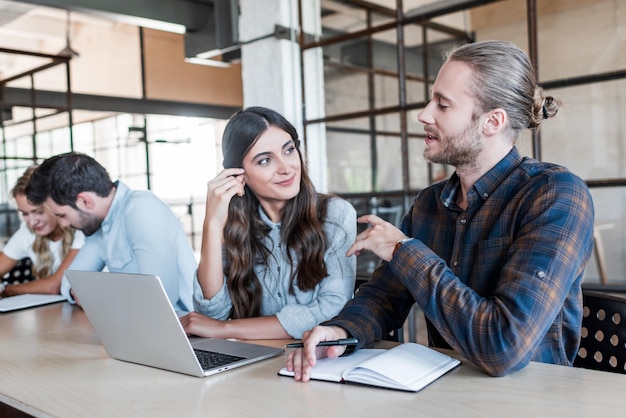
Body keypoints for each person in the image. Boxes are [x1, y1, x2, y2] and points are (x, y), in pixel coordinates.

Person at [286, 40, 595, 378]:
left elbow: (503, 347)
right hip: (440, 391)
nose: (424, 114)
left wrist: (403, 250)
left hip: (532, 400)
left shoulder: (556, 195)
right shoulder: (428, 205)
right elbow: (384, 297)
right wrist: (341, 331)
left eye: (442, 105)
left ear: (492, 121)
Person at [179, 106, 356, 339]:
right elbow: (211, 314)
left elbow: (332, 309)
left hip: (319, 358)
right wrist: (211, 224)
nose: (286, 168)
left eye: (289, 150)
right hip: (256, 358)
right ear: (239, 174)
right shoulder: (234, 225)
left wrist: (226, 329)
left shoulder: (334, 215)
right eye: (265, 161)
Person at [25, 152, 196, 312]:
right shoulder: (100, 224)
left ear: (85, 201)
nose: (63, 224)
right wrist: (81, 293)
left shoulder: (142, 208)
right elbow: (68, 282)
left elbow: (161, 296)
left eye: (62, 215)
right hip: (140, 325)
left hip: (187, 332)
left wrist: (96, 294)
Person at [0, 166, 84, 297]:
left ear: (55, 204)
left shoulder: (81, 229)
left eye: (38, 212)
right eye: (24, 213)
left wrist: (6, 289)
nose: (32, 222)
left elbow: (54, 285)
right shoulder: (27, 231)